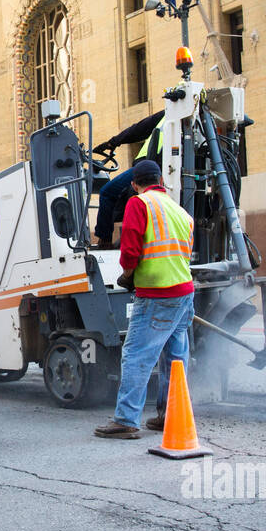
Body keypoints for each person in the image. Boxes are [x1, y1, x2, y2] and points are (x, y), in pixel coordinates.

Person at [95, 159, 194, 439]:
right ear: (160, 180)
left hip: (156, 293)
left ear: (135, 184)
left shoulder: (139, 203)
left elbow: (131, 246)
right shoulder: (180, 211)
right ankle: (170, 415)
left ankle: (126, 420)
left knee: (137, 355)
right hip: (184, 293)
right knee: (175, 359)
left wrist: (127, 273)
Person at [92, 107, 165, 247]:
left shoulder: (168, 115)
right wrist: (113, 142)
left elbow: (139, 129)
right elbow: (139, 129)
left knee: (107, 193)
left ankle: (105, 240)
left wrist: (113, 142)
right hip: (154, 169)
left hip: (146, 169)